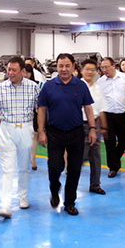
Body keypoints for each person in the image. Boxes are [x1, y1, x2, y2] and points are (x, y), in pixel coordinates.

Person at [37, 53, 97, 216]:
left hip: (76, 132)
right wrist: (41, 131)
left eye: (67, 66)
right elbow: (42, 109)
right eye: (60, 66)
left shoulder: (80, 85)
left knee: (74, 169)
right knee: (55, 167)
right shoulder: (48, 86)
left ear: (73, 67)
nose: (64, 69)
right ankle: (54, 190)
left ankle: (70, 202)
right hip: (55, 132)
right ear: (57, 67)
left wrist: (92, 128)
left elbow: (88, 107)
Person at [0, 57, 40, 219]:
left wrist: (42, 130)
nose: (10, 73)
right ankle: (5, 204)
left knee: (24, 166)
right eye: (8, 69)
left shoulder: (33, 87)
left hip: (25, 128)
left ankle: (23, 196)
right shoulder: (0, 88)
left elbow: (41, 110)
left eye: (14, 70)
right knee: (7, 168)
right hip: (6, 129)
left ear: (23, 71)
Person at [96, 57, 125, 178]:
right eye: (102, 68)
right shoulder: (100, 82)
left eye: (107, 67)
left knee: (124, 140)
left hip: (123, 114)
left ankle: (115, 160)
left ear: (114, 66)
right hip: (107, 116)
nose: (104, 70)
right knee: (109, 142)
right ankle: (113, 167)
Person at [79, 59, 108, 195]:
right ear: (81, 71)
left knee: (96, 156)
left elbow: (101, 109)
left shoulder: (98, 88)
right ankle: (72, 184)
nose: (90, 72)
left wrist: (104, 127)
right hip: (80, 124)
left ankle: (95, 185)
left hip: (95, 125)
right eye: (87, 69)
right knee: (80, 156)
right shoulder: (76, 86)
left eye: (93, 70)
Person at [23, 64, 41, 170]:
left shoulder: (37, 85)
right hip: (21, 116)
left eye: (28, 73)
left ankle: (33, 159)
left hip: (34, 114)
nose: (25, 75)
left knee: (34, 137)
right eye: (24, 72)